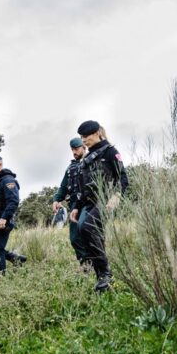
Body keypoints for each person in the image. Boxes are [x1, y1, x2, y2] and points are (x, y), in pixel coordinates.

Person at [70, 120, 128, 292]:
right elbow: (83, 187)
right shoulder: (87, 158)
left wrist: (116, 195)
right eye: (81, 137)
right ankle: (101, 278)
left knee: (88, 228)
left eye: (86, 136)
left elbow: (123, 177)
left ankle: (106, 274)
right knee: (84, 232)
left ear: (97, 133)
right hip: (89, 203)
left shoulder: (110, 152)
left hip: (105, 201)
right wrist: (76, 207)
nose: (84, 140)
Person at [52, 137, 87, 265]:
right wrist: (56, 199)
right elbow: (63, 187)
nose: (74, 152)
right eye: (72, 149)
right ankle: (86, 265)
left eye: (76, 149)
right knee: (75, 238)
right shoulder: (70, 167)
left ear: (84, 147)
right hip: (74, 206)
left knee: (88, 234)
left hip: (89, 204)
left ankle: (98, 266)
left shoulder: (91, 161)